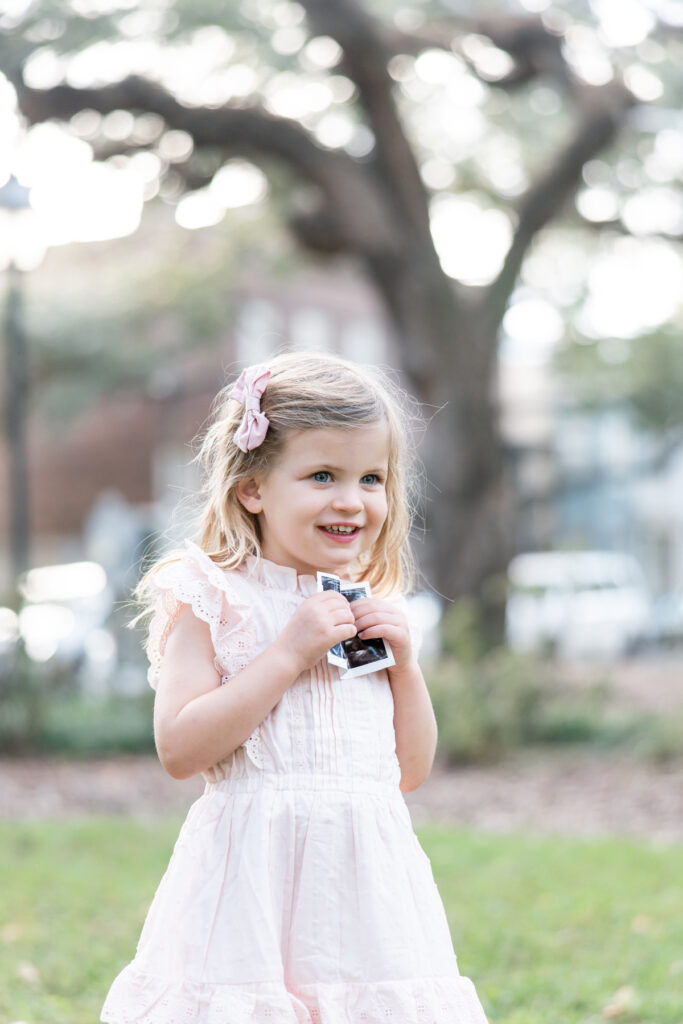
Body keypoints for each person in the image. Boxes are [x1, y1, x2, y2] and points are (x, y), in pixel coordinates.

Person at [101, 351, 489, 1024]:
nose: (352, 499)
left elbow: (410, 771)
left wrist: (406, 666)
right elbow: (180, 749)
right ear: (253, 487)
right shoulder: (214, 597)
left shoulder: (366, 604)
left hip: (368, 892)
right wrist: (287, 653)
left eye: (372, 478)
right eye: (322, 476)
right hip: (252, 887)